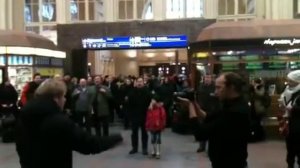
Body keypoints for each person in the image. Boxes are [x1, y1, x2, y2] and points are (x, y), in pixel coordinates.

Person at [15, 79, 123, 168]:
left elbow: (19, 146)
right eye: (63, 96)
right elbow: (88, 144)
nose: (65, 100)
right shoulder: (59, 121)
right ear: (56, 98)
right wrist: (114, 139)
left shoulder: (24, 116)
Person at [189, 72, 250, 168]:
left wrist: (190, 108)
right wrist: (193, 103)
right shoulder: (228, 104)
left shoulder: (236, 112)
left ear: (231, 87)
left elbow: (200, 134)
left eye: (219, 87)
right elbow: (208, 116)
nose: (215, 91)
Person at [278, 70, 300, 168]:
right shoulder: (287, 90)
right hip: (289, 124)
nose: (288, 83)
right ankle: (290, 164)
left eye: (291, 81)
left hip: (298, 125)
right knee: (290, 149)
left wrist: (293, 109)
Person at [127, 77, 152, 155]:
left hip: (144, 115)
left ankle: (144, 148)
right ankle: (134, 148)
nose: (139, 83)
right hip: (134, 115)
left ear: (143, 82)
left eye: (141, 81)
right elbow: (128, 104)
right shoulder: (132, 91)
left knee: (144, 133)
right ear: (136, 82)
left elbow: (153, 98)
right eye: (138, 81)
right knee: (134, 133)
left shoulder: (147, 91)